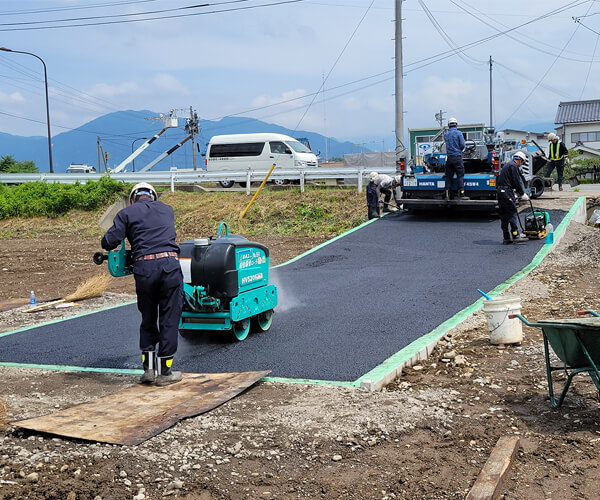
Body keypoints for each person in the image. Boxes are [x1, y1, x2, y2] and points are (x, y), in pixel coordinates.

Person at [101, 182, 184, 386]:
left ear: (133, 198)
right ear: (153, 196)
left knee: (148, 318)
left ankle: (148, 370)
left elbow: (108, 243)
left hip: (144, 269)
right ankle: (166, 372)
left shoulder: (126, 213)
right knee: (169, 317)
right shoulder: (167, 209)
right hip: (169, 266)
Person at [496, 152, 530, 244]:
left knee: (504, 214)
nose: (521, 165)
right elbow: (516, 181)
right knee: (512, 212)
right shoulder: (513, 166)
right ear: (520, 160)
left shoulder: (507, 165)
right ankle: (515, 235)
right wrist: (522, 193)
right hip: (507, 191)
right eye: (522, 163)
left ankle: (506, 237)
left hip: (500, 191)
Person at [443, 117, 469, 200]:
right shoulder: (459, 133)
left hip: (449, 158)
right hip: (457, 157)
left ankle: (447, 195)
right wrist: (459, 149)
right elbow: (463, 145)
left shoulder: (446, 134)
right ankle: (461, 194)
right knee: (460, 175)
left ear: (448, 125)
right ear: (456, 124)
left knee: (448, 176)